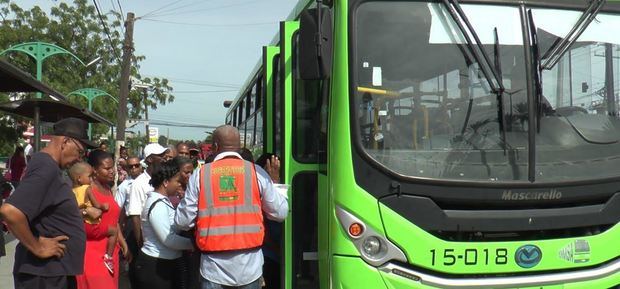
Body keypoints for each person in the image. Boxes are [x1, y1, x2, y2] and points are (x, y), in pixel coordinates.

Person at [175, 125, 288, 289]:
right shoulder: (256, 173)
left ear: (214, 146)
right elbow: (281, 212)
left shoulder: (200, 174)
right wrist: (276, 185)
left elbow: (183, 221)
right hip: (250, 268)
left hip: (213, 269)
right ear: (240, 146)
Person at [0, 117, 94, 289]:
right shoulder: (46, 167)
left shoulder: (49, 166)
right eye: (80, 152)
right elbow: (10, 211)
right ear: (66, 142)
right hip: (44, 276)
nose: (79, 159)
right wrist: (37, 247)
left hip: (52, 272)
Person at [133, 160, 194, 289]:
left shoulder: (162, 202)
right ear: (166, 182)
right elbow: (169, 239)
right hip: (155, 266)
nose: (179, 185)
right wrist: (195, 243)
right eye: (177, 181)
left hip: (166, 263)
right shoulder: (157, 205)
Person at [76, 150, 130, 289]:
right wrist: (109, 231)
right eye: (106, 168)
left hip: (110, 254)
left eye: (112, 167)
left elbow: (114, 219)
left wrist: (122, 242)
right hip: (93, 254)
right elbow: (81, 225)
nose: (112, 171)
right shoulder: (87, 190)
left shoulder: (107, 187)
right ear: (94, 170)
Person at [126, 143, 168, 288]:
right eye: (161, 156)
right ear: (150, 159)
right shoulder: (139, 184)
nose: (164, 159)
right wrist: (141, 247)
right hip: (145, 245)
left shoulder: (163, 180)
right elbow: (135, 216)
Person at [68, 161, 118, 275]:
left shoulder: (70, 191)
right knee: (113, 231)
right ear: (79, 178)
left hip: (80, 225)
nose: (91, 180)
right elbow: (97, 205)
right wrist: (102, 207)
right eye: (89, 176)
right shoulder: (87, 188)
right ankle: (109, 256)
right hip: (91, 225)